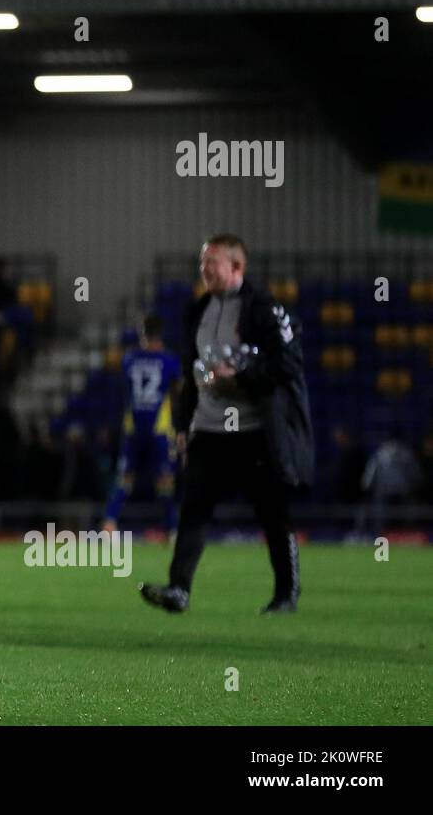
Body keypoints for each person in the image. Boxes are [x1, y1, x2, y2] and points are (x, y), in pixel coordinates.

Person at [140, 234, 313, 615]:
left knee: (272, 514)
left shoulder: (263, 309)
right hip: (210, 429)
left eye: (212, 262)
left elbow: (289, 365)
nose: (204, 270)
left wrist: (240, 377)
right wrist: (183, 425)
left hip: (253, 431)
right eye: (202, 262)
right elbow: (188, 373)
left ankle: (287, 594)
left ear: (237, 266)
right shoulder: (198, 310)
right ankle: (178, 589)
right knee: (193, 509)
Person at [102, 314, 182, 535]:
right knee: (165, 480)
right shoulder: (169, 361)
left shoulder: (129, 359)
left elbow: (120, 391)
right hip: (159, 430)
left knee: (125, 479)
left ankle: (109, 523)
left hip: (134, 428)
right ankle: (172, 529)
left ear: (142, 334)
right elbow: (178, 394)